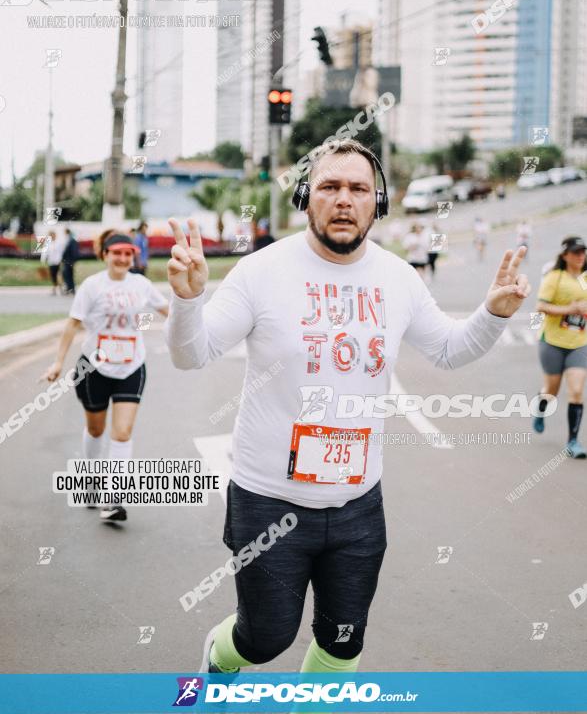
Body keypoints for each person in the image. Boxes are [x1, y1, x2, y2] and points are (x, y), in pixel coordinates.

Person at [164, 138, 530, 676]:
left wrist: (493, 314)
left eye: (359, 189)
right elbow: (192, 355)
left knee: (342, 644)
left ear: (376, 204)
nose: (344, 199)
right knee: (265, 636)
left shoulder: (399, 278)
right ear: (307, 198)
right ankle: (218, 662)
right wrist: (188, 301)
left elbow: (449, 351)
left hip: (359, 503)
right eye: (331, 187)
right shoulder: (261, 272)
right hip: (269, 500)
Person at [42, 232, 169, 521]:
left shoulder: (142, 285)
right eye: (117, 253)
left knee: (122, 432)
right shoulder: (92, 286)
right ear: (105, 255)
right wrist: (57, 363)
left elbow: (168, 311)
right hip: (94, 368)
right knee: (97, 430)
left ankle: (113, 498)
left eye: (128, 254)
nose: (123, 259)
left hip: (131, 366)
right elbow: (72, 325)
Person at [531, 236, 587, 458]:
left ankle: (572, 441)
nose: (581, 256)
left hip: (579, 344)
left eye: (583, 252)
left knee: (576, 390)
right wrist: (569, 309)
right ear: (565, 256)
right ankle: (541, 406)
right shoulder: (555, 277)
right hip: (552, 342)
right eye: (576, 252)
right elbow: (540, 306)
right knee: (551, 391)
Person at [42, 230, 64, 295]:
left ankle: (60, 288)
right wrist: (43, 260)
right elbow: (45, 253)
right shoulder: (48, 243)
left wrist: (61, 260)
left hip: (58, 261)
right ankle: (54, 288)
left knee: (58, 275)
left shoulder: (59, 243)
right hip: (51, 262)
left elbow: (61, 252)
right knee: (53, 275)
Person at [61, 228, 80, 294]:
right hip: (67, 261)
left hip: (69, 261)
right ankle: (70, 288)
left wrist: (73, 261)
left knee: (67, 275)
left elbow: (74, 252)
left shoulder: (71, 241)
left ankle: (70, 288)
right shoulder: (69, 240)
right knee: (68, 275)